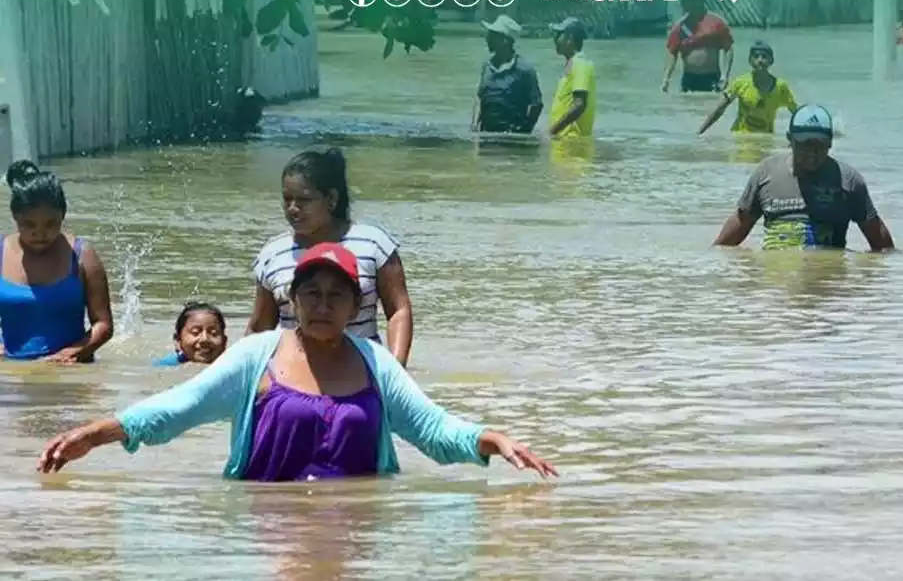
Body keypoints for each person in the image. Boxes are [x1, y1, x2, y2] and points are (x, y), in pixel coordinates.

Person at [37, 243, 558, 482]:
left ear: (357, 307)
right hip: (266, 528)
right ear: (294, 301)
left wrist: (489, 440)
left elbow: (433, 429)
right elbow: (176, 408)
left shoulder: (376, 364)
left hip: (362, 527)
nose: (323, 304)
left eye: (337, 295)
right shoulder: (253, 356)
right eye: (312, 293)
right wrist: (98, 432)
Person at [248, 148, 415, 367]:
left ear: (331, 199)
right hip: (292, 377)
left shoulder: (373, 244)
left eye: (304, 200)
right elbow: (260, 328)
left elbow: (398, 311)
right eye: (287, 199)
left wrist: (395, 370)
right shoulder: (272, 253)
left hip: (361, 374)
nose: (293, 209)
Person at [713, 105, 896, 252]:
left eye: (819, 145)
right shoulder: (766, 173)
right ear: (789, 139)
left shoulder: (848, 181)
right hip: (776, 287)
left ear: (830, 142)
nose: (812, 153)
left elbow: (882, 245)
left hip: (829, 284)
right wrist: (712, 257)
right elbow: (740, 223)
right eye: (804, 144)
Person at [0, 160, 112, 362]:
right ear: (15, 217)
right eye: (29, 224)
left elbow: (103, 324)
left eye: (51, 224)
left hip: (71, 372)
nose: (40, 233)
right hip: (11, 376)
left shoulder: (82, 257)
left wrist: (69, 354)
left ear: (63, 216)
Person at [698, 41, 798, 135]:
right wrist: (700, 132)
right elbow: (720, 109)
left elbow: (796, 114)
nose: (760, 60)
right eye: (756, 56)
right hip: (741, 136)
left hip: (766, 139)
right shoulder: (740, 82)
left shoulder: (781, 87)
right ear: (750, 60)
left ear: (771, 61)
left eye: (764, 56)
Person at [471, 15, 543, 135]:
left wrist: (524, 132)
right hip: (486, 135)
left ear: (505, 40)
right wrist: (474, 125)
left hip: (511, 136)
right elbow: (479, 97)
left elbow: (536, 105)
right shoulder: (487, 66)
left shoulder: (525, 70)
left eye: (491, 36)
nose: (486, 39)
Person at [661, 0, 734, 93]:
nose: (682, 2)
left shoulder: (717, 23)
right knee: (688, 109)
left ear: (698, 0)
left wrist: (725, 75)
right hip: (689, 79)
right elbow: (672, 53)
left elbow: (728, 49)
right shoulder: (679, 27)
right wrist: (666, 79)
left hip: (712, 78)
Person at [545, 17, 597, 140]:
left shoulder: (580, 65)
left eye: (559, 35)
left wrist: (552, 131)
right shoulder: (573, 65)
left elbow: (579, 105)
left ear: (570, 38)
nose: (555, 40)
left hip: (572, 143)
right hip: (565, 141)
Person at [154, 302, 228, 366]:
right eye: (195, 333)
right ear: (178, 341)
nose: (204, 339)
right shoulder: (164, 367)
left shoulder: (232, 366)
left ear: (224, 341)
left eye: (213, 333)